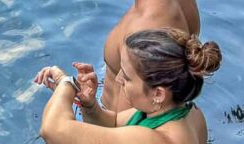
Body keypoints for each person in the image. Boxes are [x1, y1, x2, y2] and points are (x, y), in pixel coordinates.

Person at [35, 29, 221, 143]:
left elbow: (52, 130)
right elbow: (114, 123)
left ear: (158, 93)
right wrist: (90, 105)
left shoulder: (153, 139)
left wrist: (65, 84)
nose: (119, 79)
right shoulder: (188, 111)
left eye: (128, 76)